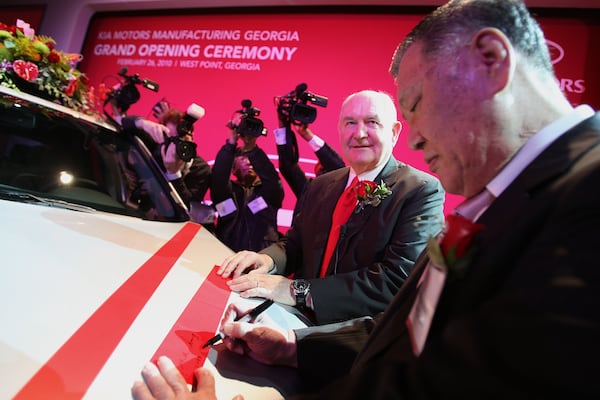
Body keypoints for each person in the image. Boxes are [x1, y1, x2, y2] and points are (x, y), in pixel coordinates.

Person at [132, 0, 600, 399]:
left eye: (414, 104)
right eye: (350, 124)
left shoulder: (583, 203)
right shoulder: (508, 197)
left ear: (491, 60)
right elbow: (409, 333)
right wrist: (296, 346)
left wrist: (293, 296)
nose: (415, 140)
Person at [219, 89, 445, 325]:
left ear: (394, 132)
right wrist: (266, 260)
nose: (359, 134)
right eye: (350, 123)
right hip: (291, 319)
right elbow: (295, 244)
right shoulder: (321, 185)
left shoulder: (420, 190)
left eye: (372, 122)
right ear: (339, 129)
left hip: (355, 335)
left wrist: (300, 290)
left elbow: (397, 279)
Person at [210, 111, 285, 252]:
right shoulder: (228, 192)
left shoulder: (268, 192)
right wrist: (232, 142)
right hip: (226, 255)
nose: (249, 161)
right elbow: (219, 178)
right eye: (244, 157)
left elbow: (271, 178)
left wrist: (252, 148)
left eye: (251, 158)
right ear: (232, 168)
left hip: (262, 257)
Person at [122, 109, 212, 210]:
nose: (175, 145)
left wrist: (174, 174)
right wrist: (143, 124)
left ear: (192, 136)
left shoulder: (201, 168)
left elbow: (189, 207)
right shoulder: (155, 147)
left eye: (181, 140)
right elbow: (124, 124)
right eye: (170, 139)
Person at [274, 112, 345, 200]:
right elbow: (287, 164)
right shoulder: (307, 190)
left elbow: (338, 168)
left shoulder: (340, 190)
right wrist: (283, 124)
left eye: (326, 168)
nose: (324, 172)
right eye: (322, 169)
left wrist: (306, 134)